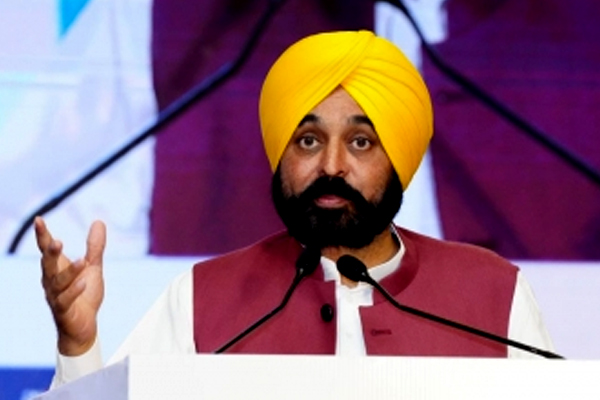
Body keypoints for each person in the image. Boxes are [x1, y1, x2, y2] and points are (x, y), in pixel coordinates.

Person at [36, 30, 554, 387]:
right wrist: (78, 345)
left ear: (400, 158)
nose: (331, 165)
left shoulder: (493, 294)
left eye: (360, 142)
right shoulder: (201, 298)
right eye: (308, 140)